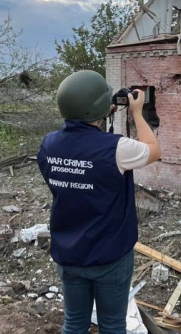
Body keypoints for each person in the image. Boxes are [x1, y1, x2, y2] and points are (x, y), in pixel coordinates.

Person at [37, 70, 161, 334]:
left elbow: (78, 158)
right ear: (101, 108)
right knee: (113, 325)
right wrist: (136, 113)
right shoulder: (117, 148)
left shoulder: (49, 145)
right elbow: (154, 149)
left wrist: (101, 114)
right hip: (110, 255)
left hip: (68, 253)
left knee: (74, 322)